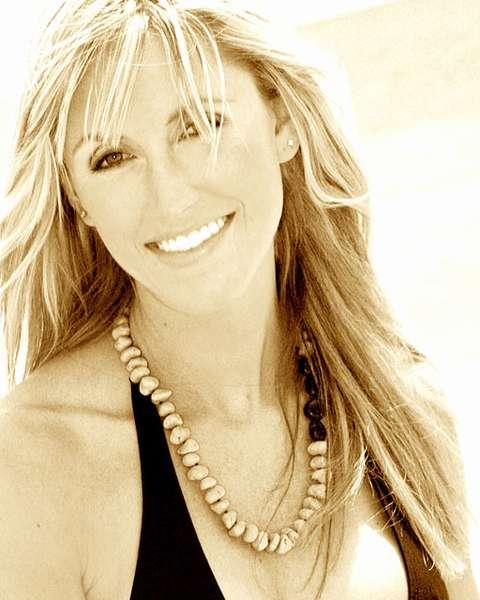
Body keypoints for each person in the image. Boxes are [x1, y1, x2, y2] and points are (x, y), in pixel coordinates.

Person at [0, 1, 477, 598]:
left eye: (200, 125)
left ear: (282, 123)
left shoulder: (403, 405)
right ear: (77, 199)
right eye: (113, 158)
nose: (171, 196)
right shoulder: (35, 465)